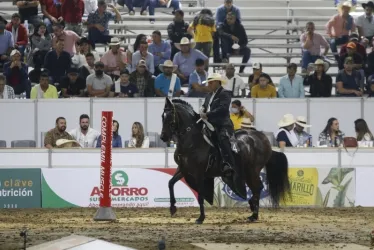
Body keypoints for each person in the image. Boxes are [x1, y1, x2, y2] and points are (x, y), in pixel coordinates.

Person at [200, 72, 235, 176]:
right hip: (208, 123)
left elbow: (223, 109)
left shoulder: (225, 93)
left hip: (222, 124)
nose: (208, 85)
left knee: (222, 139)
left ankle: (228, 163)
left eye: (210, 83)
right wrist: (202, 109)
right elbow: (205, 105)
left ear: (217, 82)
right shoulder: (208, 95)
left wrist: (208, 114)